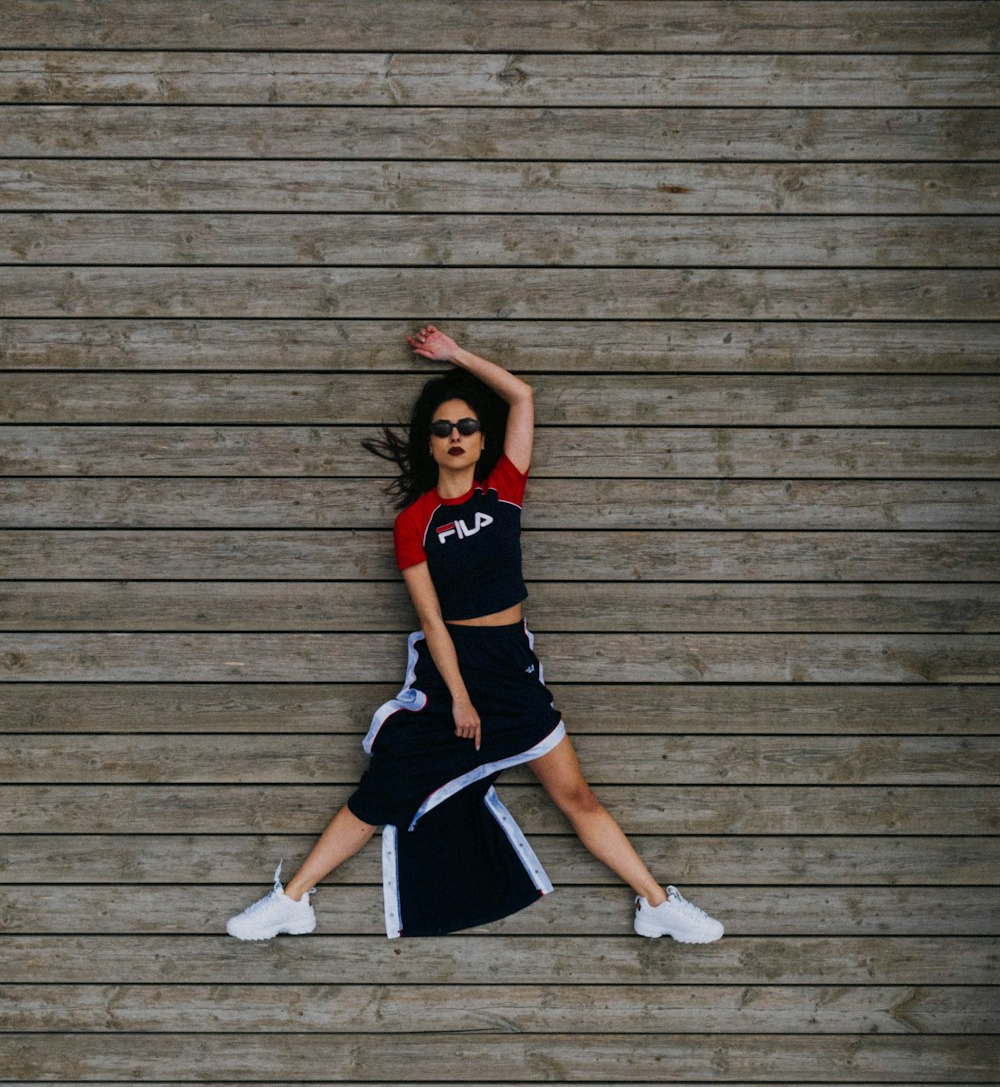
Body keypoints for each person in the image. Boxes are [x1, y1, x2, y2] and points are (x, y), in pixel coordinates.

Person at [225, 330, 724, 945]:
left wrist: (456, 355)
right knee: (383, 789)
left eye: (465, 426)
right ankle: (292, 901)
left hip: (510, 667)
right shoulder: (415, 522)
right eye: (442, 428)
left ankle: (656, 904)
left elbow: (522, 396)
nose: (455, 435)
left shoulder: (504, 490)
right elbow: (432, 620)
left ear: (483, 439)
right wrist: (458, 697)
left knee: (576, 797)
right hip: (448, 672)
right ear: (429, 444)